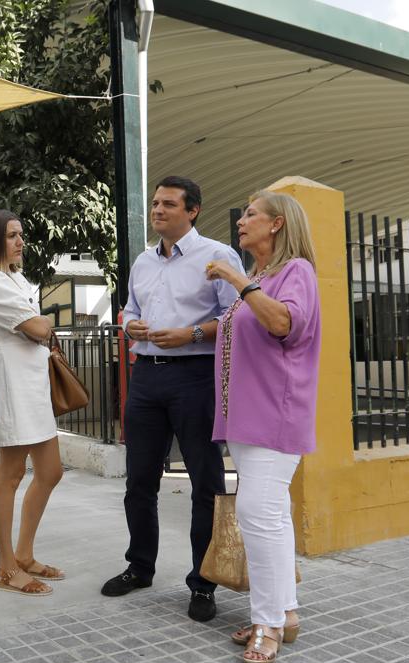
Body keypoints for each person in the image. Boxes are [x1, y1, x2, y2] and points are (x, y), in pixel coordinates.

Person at [101, 176, 242, 624]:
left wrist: (192, 333)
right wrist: (132, 327)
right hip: (145, 378)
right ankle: (140, 567)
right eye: (155, 203)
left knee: (206, 480)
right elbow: (131, 309)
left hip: (195, 378)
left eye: (168, 204)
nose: (157, 210)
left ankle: (204, 582)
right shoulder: (143, 261)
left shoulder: (217, 256)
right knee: (138, 481)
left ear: (192, 210)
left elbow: (238, 317)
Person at [205, 191, 321, 663]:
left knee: (257, 515)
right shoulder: (261, 276)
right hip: (246, 419)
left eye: (251, 214)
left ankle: (268, 623)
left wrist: (234, 279)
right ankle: (285, 614)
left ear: (277, 224)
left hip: (277, 413)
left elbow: (283, 324)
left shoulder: (297, 273)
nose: (241, 221)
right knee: (271, 518)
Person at [0, 210, 64, 597]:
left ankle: (24, 554)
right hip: (10, 382)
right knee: (10, 474)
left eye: (21, 234)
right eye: (11, 236)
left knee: (51, 470)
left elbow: (39, 328)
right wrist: (40, 327)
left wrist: (40, 328)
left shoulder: (15, 278)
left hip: (33, 383)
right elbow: (39, 327)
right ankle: (6, 566)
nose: (20, 242)